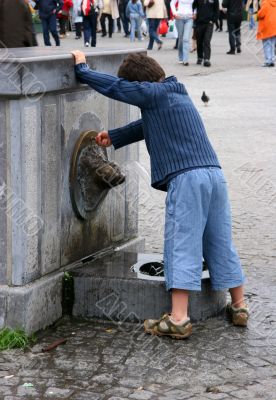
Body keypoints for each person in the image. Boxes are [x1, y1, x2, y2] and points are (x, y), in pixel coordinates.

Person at [71, 50, 249, 339]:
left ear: (141, 85)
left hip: (187, 179)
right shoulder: (176, 93)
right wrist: (114, 136)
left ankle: (178, 318)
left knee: (182, 241)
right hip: (214, 175)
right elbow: (148, 125)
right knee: (219, 240)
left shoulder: (151, 93)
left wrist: (83, 69)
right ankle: (239, 306)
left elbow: (116, 87)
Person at [192, 0, 219, 67]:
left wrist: (213, 20)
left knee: (207, 40)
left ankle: (206, 59)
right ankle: (200, 57)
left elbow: (217, 10)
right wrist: (194, 14)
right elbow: (193, 6)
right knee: (199, 41)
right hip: (199, 23)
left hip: (209, 24)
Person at [170, 0, 195, 65]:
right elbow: (172, 3)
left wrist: (195, 13)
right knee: (180, 39)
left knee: (186, 39)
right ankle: (181, 57)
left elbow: (196, 5)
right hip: (179, 18)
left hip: (189, 18)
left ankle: (185, 60)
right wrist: (175, 13)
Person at [256, 0, 276, 67]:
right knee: (272, 44)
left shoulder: (266, 2)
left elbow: (261, 14)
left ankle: (268, 61)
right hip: (274, 26)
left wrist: (257, 13)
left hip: (267, 26)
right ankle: (272, 60)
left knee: (266, 44)